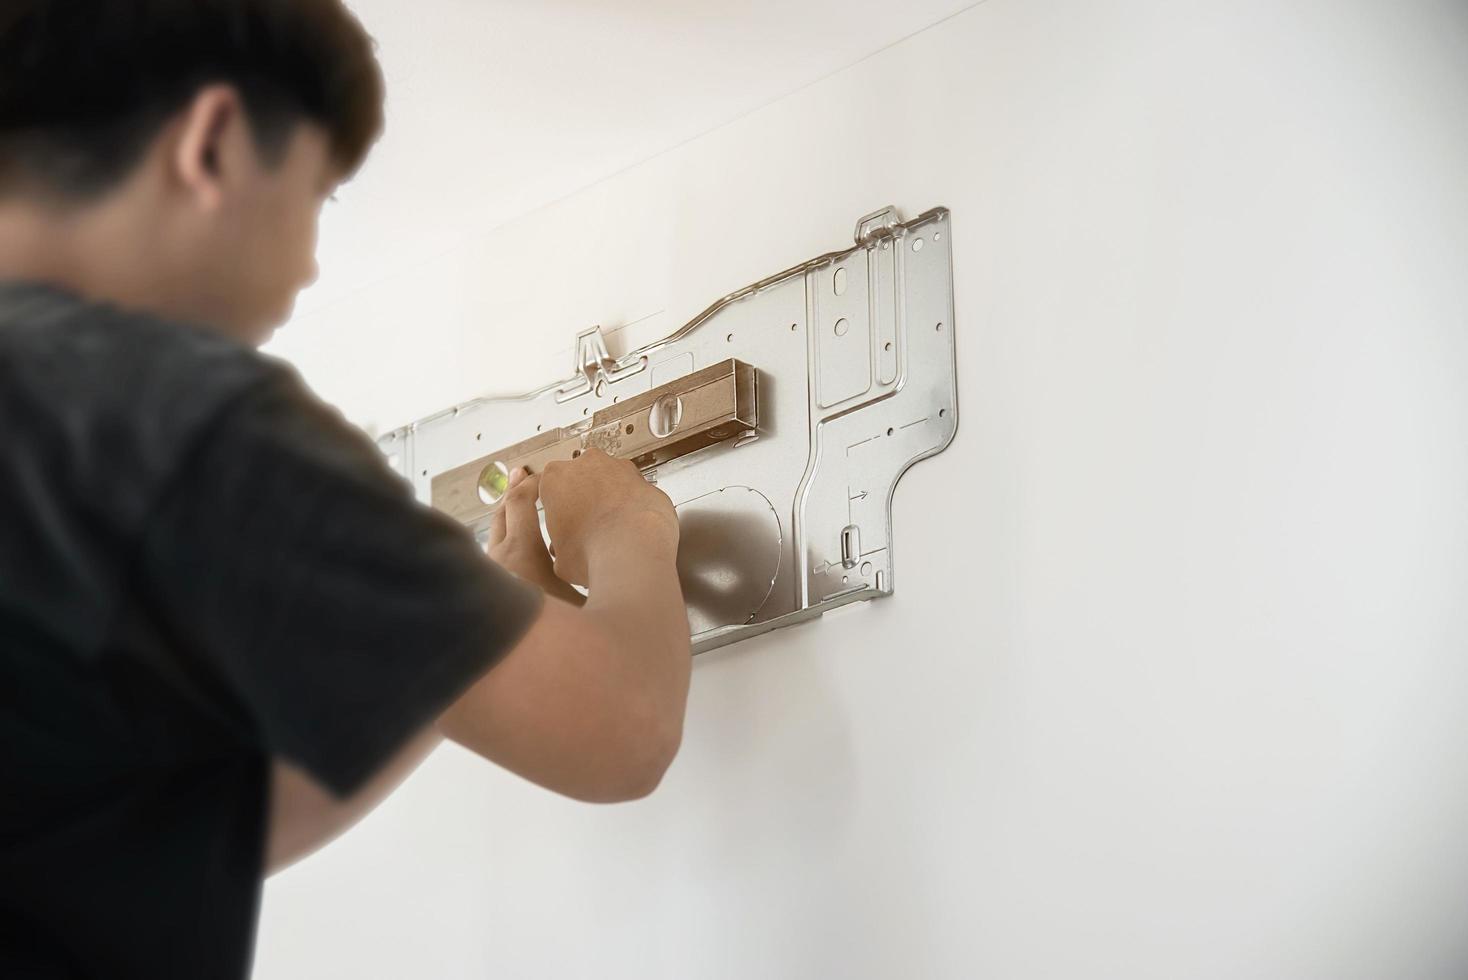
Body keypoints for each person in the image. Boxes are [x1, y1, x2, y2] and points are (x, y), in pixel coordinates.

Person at [0, 2, 692, 976]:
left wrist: (440, 634)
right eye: (315, 196)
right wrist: (623, 516)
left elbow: (137, 830)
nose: (308, 266)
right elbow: (624, 726)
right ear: (215, 142)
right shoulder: (183, 419)